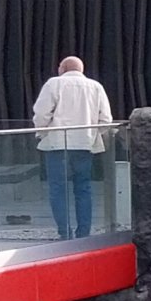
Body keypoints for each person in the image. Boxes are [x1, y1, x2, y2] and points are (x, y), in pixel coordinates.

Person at [30, 55, 115, 237]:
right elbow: (106, 120)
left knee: (58, 189)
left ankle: (64, 232)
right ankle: (83, 233)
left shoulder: (54, 84)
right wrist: (92, 135)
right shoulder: (96, 87)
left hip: (56, 144)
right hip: (85, 145)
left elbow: (41, 114)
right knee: (83, 188)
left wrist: (42, 131)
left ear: (63, 68)